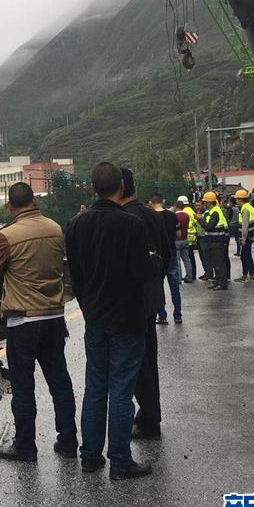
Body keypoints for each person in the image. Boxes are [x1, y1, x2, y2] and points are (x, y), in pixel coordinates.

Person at [64, 162, 162, 479]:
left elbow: (75, 277)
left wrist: (89, 307)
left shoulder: (76, 225)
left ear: (93, 187)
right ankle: (120, 461)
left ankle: (90, 457)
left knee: (95, 387)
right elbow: (145, 272)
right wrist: (154, 260)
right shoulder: (130, 225)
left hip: (96, 319)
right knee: (121, 389)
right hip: (128, 319)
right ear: (122, 185)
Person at [0, 182, 77, 462]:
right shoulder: (55, 228)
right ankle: (67, 441)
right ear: (34, 201)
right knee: (60, 381)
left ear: (10, 205)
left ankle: (25, 446)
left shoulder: (6, 236)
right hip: (53, 316)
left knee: (24, 386)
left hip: (23, 321)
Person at [119, 170, 171, 440]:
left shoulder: (125, 219)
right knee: (149, 358)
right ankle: (150, 414)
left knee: (136, 363)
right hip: (152, 297)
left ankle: (148, 419)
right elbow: (167, 255)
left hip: (133, 300)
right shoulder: (152, 214)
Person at [149, 192, 182, 324]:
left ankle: (162, 315)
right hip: (171, 253)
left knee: (158, 286)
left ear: (151, 203)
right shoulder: (172, 215)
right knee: (174, 285)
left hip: (156, 255)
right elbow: (178, 233)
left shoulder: (150, 217)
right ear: (162, 201)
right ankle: (178, 315)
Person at [200, 191, 230, 290]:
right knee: (216, 263)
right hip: (214, 241)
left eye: (204, 202)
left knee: (219, 264)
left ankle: (222, 283)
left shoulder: (216, 212)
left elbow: (208, 227)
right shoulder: (213, 211)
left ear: (209, 202)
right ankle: (218, 281)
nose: (203, 204)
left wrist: (199, 220)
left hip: (217, 242)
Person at [233, 189, 254, 283]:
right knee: (245, 256)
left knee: (246, 256)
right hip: (251, 235)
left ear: (240, 199)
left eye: (237, 199)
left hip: (247, 236)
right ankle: (246, 275)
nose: (236, 201)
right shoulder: (249, 206)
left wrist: (243, 238)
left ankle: (250, 275)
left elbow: (245, 225)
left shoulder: (245, 209)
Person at [174, 196, 194, 282]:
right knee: (187, 260)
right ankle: (189, 276)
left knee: (177, 261)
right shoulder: (186, 215)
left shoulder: (174, 216)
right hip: (185, 239)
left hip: (177, 240)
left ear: (176, 206)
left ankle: (178, 278)